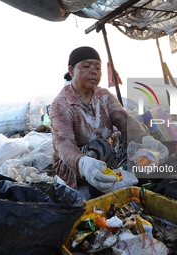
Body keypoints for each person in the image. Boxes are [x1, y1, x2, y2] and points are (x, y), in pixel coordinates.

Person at [50, 46, 168, 198]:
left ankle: (142, 181)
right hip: (75, 165)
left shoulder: (103, 95)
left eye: (98, 68)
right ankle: (97, 192)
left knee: (138, 133)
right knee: (101, 147)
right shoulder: (61, 104)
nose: (94, 71)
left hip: (106, 153)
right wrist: (84, 164)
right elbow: (63, 145)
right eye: (86, 66)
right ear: (72, 71)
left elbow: (124, 120)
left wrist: (147, 139)